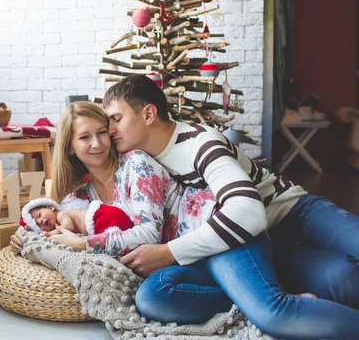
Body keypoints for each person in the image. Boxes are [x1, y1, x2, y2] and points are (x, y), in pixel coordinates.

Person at [100, 74, 359, 339]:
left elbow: (247, 211)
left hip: (289, 209)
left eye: (116, 119)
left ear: (149, 114)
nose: (109, 130)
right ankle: (268, 295)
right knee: (341, 279)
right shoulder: (136, 163)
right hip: (251, 241)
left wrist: (169, 252)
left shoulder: (199, 143)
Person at [10, 101, 218, 258]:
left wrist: (85, 244)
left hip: (214, 231)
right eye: (84, 137)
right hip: (180, 258)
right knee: (152, 298)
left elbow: (150, 235)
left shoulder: (136, 164)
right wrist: (22, 237)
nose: (97, 143)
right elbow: (51, 228)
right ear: (70, 147)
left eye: (101, 133)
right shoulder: (79, 198)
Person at [20, 197, 133, 236]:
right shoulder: (57, 223)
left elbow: (68, 227)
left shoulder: (61, 215)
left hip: (102, 217)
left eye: (39, 215)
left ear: (51, 208)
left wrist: (50, 234)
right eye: (37, 224)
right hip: (105, 221)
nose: (41, 221)